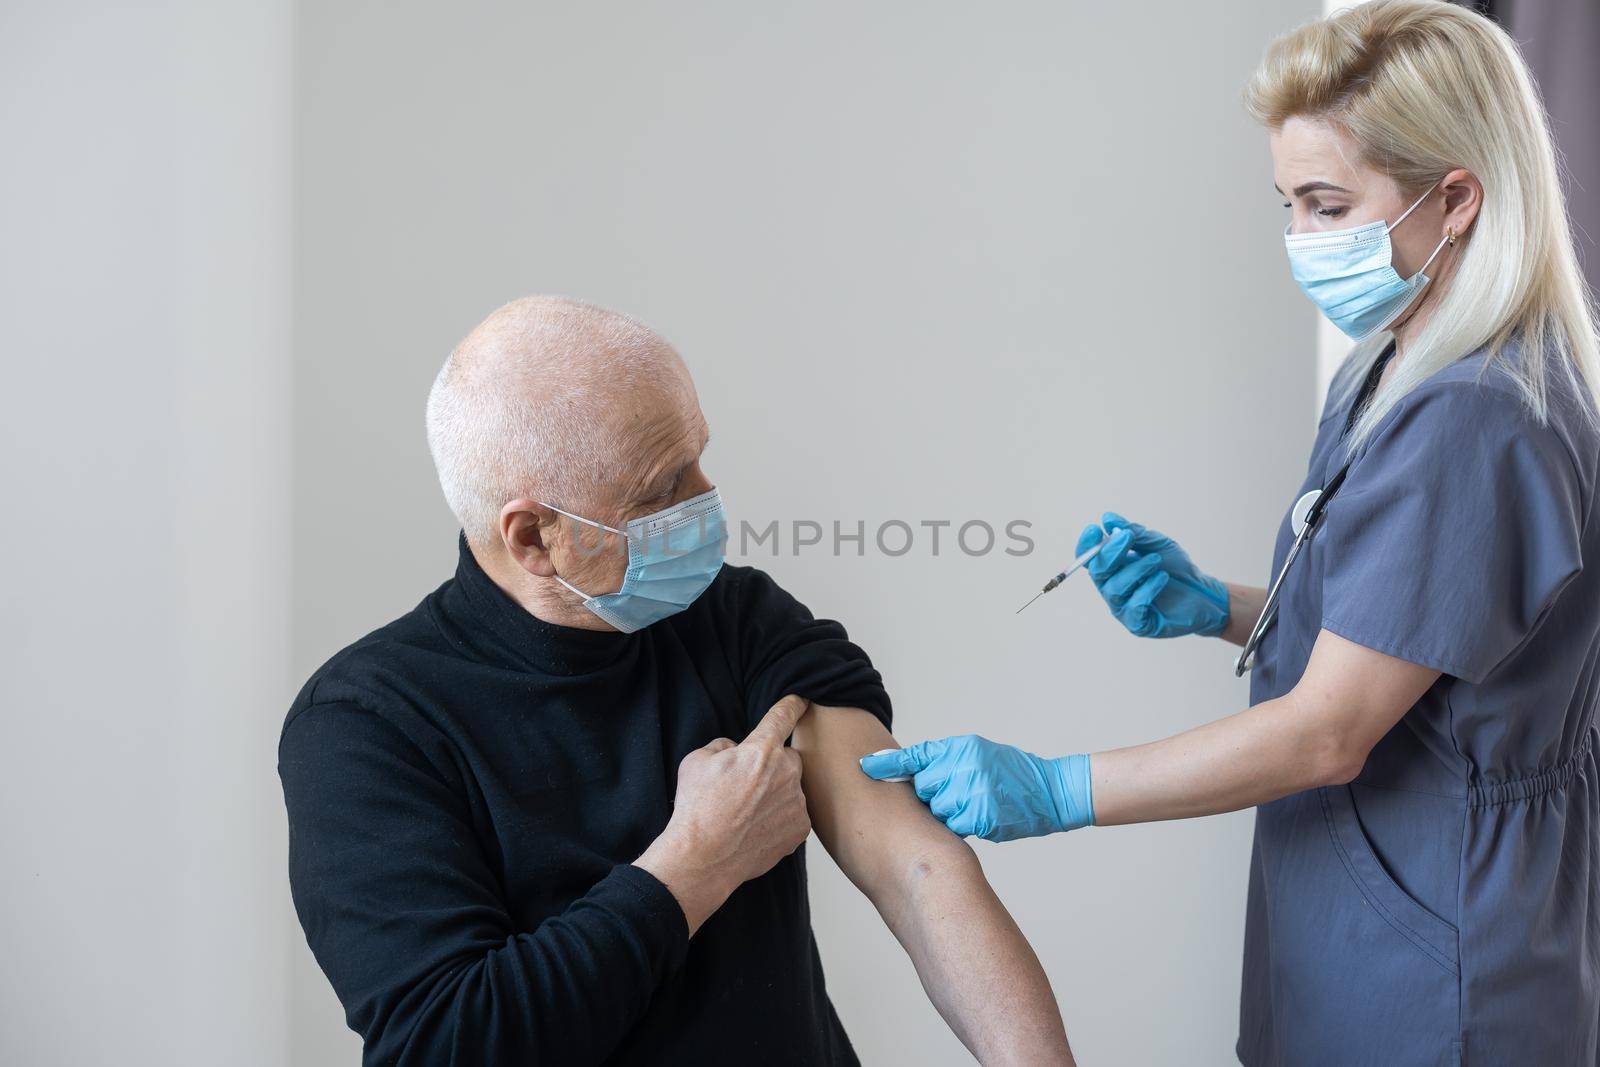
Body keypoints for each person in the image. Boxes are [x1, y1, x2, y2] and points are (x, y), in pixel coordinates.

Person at [863, 2, 1600, 1064]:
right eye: (1287, 202)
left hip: (1438, 954)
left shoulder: (1479, 416)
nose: (1301, 239)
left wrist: (1053, 786)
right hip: (1351, 913)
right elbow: (1413, 638)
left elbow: (1327, 730)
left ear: (1455, 201)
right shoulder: (1391, 368)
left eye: (1328, 202)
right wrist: (1221, 605)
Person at [279, 295, 1074, 1066]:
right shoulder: (366, 725)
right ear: (532, 536)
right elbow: (448, 1038)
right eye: (660, 489)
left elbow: (917, 866)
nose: (707, 502)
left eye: (698, 455)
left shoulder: (737, 619)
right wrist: (696, 861)